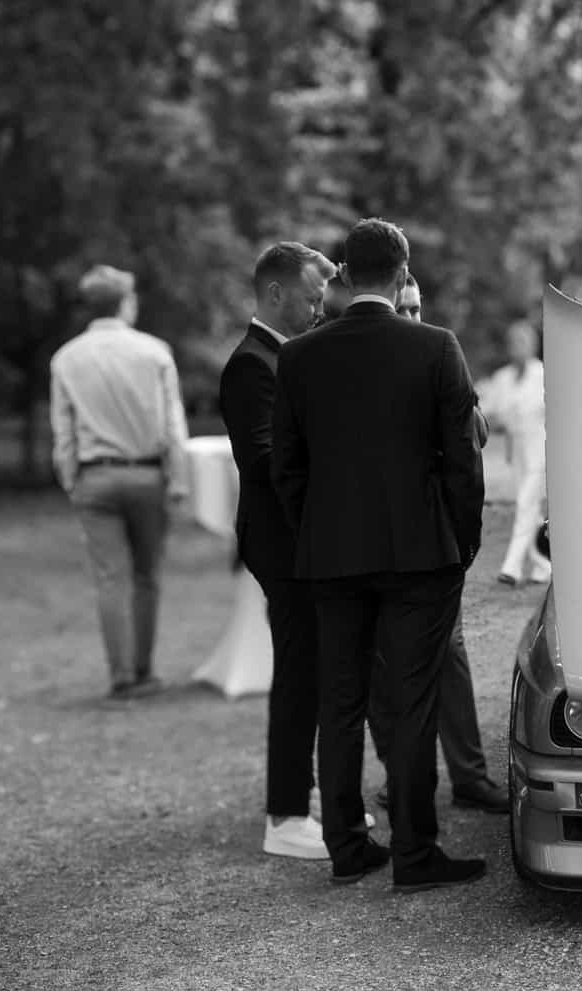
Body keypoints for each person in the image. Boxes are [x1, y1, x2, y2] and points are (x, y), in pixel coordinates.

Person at [272, 218, 486, 891]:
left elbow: (287, 467)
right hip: (420, 552)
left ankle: (347, 847)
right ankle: (416, 854)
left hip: (332, 555)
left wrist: (317, 531)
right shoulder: (434, 347)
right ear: (401, 274)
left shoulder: (300, 357)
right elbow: (463, 464)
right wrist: (463, 541)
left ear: (343, 271)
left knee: (340, 701)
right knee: (413, 700)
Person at [364, 271, 510, 815]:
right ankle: (399, 773)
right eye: (400, 309)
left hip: (434, 535)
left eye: (416, 309)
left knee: (448, 652)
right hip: (374, 535)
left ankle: (469, 775)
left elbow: (477, 433)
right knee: (378, 659)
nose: (410, 320)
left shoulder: (439, 353)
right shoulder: (362, 361)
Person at [218, 242, 337, 860]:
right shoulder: (251, 365)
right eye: (313, 298)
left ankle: (306, 796)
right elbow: (263, 460)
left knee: (311, 670)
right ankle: (285, 815)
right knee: (297, 673)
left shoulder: (284, 356)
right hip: (280, 541)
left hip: (301, 538)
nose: (319, 309)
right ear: (275, 293)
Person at [50, 264, 190, 700]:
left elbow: (64, 431)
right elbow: (173, 424)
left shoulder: (66, 358)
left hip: (95, 477)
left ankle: (121, 675)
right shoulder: (154, 352)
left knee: (112, 579)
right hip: (147, 475)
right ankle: (144, 671)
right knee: (147, 576)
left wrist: (72, 478)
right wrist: (179, 479)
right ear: (125, 302)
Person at [486, 319, 551, 587]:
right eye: (513, 342)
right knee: (531, 510)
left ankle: (511, 567)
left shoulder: (544, 374)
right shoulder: (502, 378)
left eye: (522, 341)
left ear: (533, 344)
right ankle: (543, 565)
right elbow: (490, 411)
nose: (517, 346)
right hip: (517, 453)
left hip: (541, 450)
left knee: (525, 504)